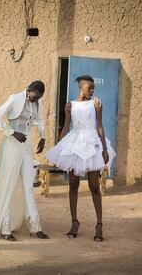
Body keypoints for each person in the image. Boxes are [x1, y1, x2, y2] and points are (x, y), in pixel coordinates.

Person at [46, 75, 116, 242]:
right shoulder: (70, 105)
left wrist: (104, 150)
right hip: (75, 143)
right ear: (81, 87)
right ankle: (74, 222)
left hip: (92, 144)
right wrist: (59, 147)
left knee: (93, 186)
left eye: (93, 88)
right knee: (73, 185)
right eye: (89, 87)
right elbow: (66, 126)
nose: (92, 90)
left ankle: (99, 225)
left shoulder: (96, 104)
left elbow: (99, 126)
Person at [0, 81, 49, 241]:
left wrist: (43, 137)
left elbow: (39, 120)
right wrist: (12, 132)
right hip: (12, 145)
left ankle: (35, 226)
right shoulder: (14, 99)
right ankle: (5, 228)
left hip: (26, 146)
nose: (36, 100)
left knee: (28, 186)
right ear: (29, 90)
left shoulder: (37, 102)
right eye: (35, 96)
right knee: (8, 184)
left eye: (39, 98)